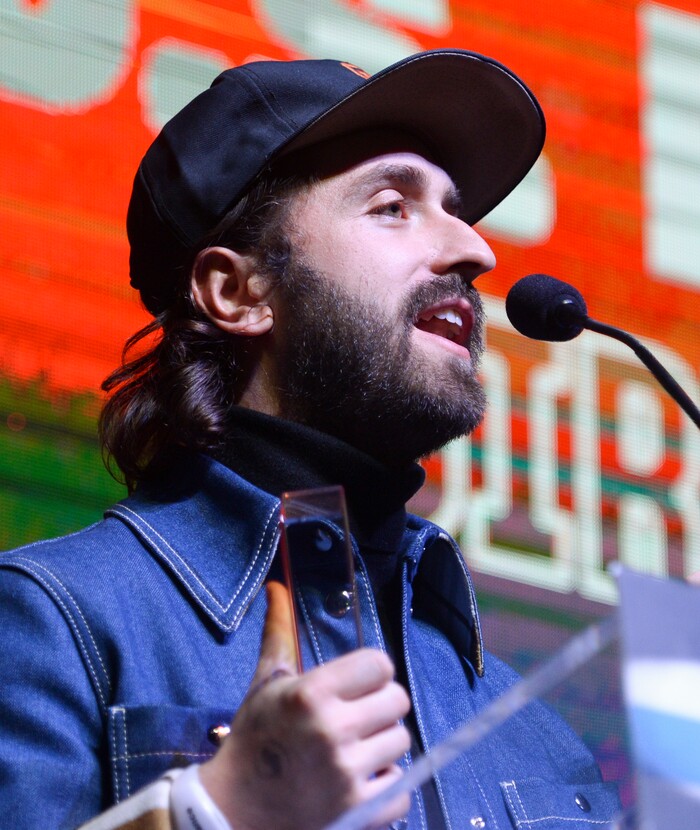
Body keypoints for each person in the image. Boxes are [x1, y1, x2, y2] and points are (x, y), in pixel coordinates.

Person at [0, 50, 621, 829]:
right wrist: (210, 814)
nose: (476, 252)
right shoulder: (52, 621)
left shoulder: (534, 733)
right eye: (393, 205)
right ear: (237, 291)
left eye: (457, 209)